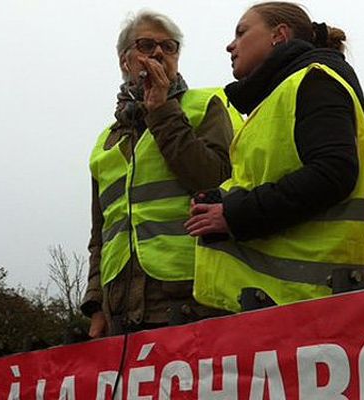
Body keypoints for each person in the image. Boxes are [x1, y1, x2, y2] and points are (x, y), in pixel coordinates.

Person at [185, 2, 364, 313]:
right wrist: (222, 198)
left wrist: (233, 214)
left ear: (279, 35)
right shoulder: (277, 97)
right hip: (278, 302)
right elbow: (273, 177)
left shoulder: (315, 81)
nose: (230, 45)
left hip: (308, 300)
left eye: (242, 32)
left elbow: (333, 172)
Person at [81, 10, 243, 337]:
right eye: (146, 45)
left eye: (169, 47)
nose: (158, 53)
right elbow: (101, 233)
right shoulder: (107, 140)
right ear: (126, 61)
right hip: (120, 308)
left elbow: (213, 180)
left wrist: (163, 111)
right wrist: (96, 302)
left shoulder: (205, 105)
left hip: (190, 298)